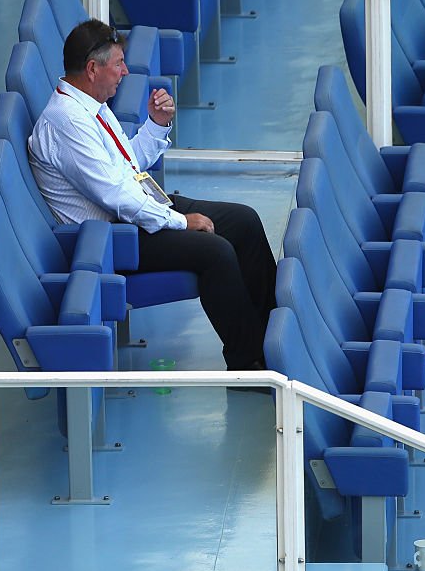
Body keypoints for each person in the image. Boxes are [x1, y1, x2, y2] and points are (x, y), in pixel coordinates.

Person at [28, 19, 276, 370]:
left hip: (137, 210)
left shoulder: (88, 105)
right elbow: (115, 196)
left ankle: (272, 336)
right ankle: (249, 362)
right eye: (118, 64)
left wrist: (156, 124)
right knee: (216, 252)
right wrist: (179, 221)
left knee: (244, 222)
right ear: (92, 69)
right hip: (116, 235)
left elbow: (124, 166)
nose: (125, 72)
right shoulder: (67, 122)